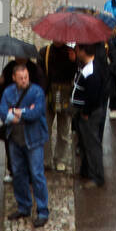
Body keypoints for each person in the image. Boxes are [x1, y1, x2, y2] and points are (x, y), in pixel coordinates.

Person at [0, 61, 49, 228]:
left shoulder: (36, 92)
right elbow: (3, 113)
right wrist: (22, 112)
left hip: (34, 140)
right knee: (18, 173)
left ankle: (42, 210)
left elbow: (36, 112)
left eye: (26, 77)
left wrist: (17, 111)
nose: (24, 80)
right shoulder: (8, 92)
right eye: (20, 78)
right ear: (14, 78)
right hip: (15, 139)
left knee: (37, 174)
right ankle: (24, 206)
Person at [70, 44, 105, 188]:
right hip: (83, 113)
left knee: (92, 145)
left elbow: (92, 96)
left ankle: (97, 176)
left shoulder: (91, 71)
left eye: (78, 49)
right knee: (84, 143)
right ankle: (85, 171)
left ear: (84, 51)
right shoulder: (86, 66)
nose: (76, 51)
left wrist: (85, 112)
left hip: (89, 114)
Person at [39, 41, 77, 169]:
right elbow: (41, 74)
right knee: (45, 129)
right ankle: (46, 159)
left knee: (64, 130)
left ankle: (61, 159)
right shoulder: (45, 52)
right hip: (48, 94)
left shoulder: (71, 54)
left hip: (65, 95)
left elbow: (74, 75)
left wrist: (74, 62)